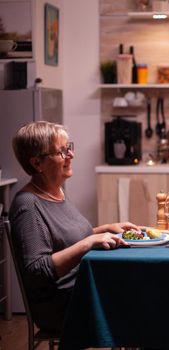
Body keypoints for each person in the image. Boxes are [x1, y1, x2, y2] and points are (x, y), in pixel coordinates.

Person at [9, 121, 139, 332]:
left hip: (82, 288)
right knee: (145, 298)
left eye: (69, 147)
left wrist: (106, 228)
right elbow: (37, 270)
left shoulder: (57, 192)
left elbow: (65, 239)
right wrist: (89, 242)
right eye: (61, 151)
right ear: (37, 163)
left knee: (144, 287)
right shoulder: (28, 205)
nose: (71, 155)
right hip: (62, 305)